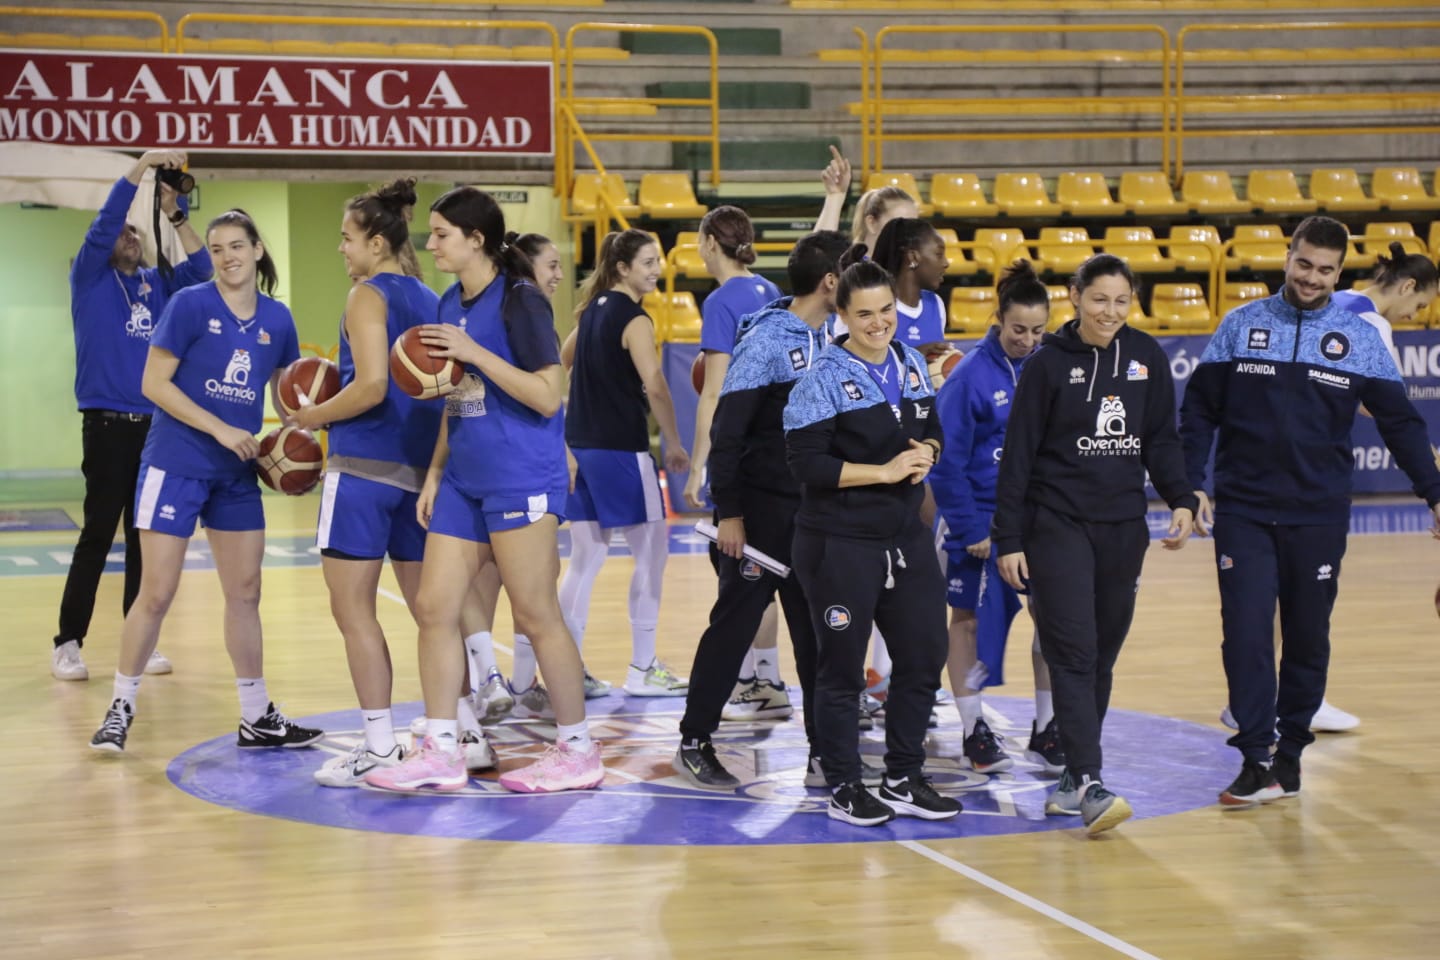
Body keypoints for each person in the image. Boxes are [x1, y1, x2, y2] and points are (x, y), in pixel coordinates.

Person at [1179, 216, 1440, 809]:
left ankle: (1289, 756)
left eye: (1325, 270)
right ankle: (1253, 757)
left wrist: (1434, 490)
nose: (1311, 278)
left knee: (1306, 636)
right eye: (1304, 264)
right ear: (1288, 257)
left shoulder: (1360, 339)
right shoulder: (1241, 325)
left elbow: (1400, 424)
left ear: (1339, 273)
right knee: (1244, 635)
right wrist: (1189, 486)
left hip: (1318, 514)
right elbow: (1198, 413)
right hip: (1243, 511)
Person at [364, 187, 601, 794]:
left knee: (535, 614)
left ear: (476, 239)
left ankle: (577, 749)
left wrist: (473, 353)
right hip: (464, 479)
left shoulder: (521, 303)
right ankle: (443, 745)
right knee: (433, 608)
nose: (431, 243)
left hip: (521, 477)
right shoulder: (447, 300)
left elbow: (548, 394)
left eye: (442, 233)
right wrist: (439, 470)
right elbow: (457, 397)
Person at [89, 209, 322, 753]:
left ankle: (255, 714)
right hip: (176, 463)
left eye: (236, 246)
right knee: (157, 593)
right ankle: (121, 706)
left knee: (245, 592)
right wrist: (219, 428)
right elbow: (154, 383)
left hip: (236, 473)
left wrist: (296, 441)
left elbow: (283, 394)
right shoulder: (189, 303)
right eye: (216, 249)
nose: (227, 257)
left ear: (257, 250)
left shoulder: (278, 319)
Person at [290, 179, 497, 786]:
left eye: (347, 239)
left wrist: (310, 417)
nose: (342, 250)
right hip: (419, 475)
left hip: (359, 472)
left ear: (376, 242)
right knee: (432, 616)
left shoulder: (366, 295)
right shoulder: (431, 297)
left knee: (353, 611)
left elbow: (372, 385)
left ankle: (379, 745)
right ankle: (467, 733)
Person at [993, 253, 1197, 837]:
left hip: (1122, 529)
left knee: (1101, 655)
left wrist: (1181, 497)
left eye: (1120, 301)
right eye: (1099, 299)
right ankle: (1087, 778)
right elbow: (1020, 458)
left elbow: (1161, 439)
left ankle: (1067, 783)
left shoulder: (1147, 357)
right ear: (1076, 297)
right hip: (1056, 525)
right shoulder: (1047, 365)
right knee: (1074, 652)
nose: (1109, 311)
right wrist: (1009, 537)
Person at [673, 230, 855, 790]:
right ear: (831, 283)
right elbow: (729, 431)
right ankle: (694, 740)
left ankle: (824, 752)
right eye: (848, 273)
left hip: (810, 517)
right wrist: (730, 514)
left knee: (817, 637)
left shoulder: (829, 333)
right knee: (733, 629)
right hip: (755, 519)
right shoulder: (767, 340)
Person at [783, 259, 959, 827]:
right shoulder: (820, 378)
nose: (879, 322)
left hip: (904, 537)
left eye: (886, 310)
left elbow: (931, 424)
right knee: (841, 671)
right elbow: (806, 464)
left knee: (925, 655)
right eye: (865, 314)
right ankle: (843, 784)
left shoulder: (910, 363)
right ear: (841, 316)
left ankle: (905, 775)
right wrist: (882, 472)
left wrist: (928, 451)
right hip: (839, 542)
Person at [53, 149, 211, 683]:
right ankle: (68, 642)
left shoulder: (157, 284)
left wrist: (176, 213)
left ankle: (139, 638)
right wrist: (142, 167)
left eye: (135, 232)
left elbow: (205, 270)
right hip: (106, 425)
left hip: (155, 429)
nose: (129, 236)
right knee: (98, 534)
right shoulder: (90, 280)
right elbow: (102, 226)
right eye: (122, 232)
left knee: (145, 537)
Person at [930, 260, 1062, 775]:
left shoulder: (1051, 365)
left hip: (1040, 521)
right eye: (1017, 330)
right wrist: (970, 529)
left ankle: (1048, 728)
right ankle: (972, 729)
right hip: (979, 520)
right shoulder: (967, 379)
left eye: (1037, 330)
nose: (1027, 341)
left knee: (1053, 622)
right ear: (997, 320)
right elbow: (946, 462)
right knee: (965, 624)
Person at [557, 229, 692, 697]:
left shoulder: (591, 312)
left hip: (582, 446)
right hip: (620, 449)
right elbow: (655, 385)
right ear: (622, 269)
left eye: (657, 262)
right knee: (652, 555)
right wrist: (673, 440)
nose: (657, 270)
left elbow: (563, 358)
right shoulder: (633, 319)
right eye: (648, 263)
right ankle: (642, 668)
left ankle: (566, 669)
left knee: (585, 560)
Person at [679, 205, 789, 720]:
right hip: (780, 452)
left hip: (744, 459)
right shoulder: (769, 289)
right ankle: (765, 678)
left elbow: (716, 392)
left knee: (744, 577)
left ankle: (755, 684)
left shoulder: (722, 301)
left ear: (707, 242)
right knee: (768, 574)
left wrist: (701, 466)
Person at [861, 218, 950, 356]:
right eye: (939, 254)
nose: (946, 263)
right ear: (913, 257)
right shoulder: (873, 306)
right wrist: (913, 357)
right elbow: (860, 364)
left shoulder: (936, 304)